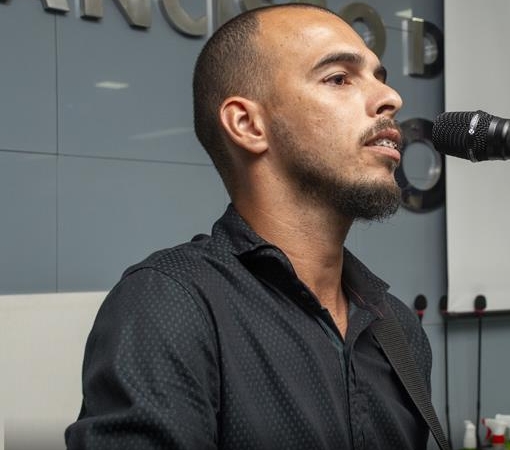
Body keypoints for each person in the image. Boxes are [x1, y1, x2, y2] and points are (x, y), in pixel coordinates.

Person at [65, 4, 433, 449]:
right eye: (339, 78)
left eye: (379, 76)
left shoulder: (396, 327)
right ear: (247, 124)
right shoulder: (168, 305)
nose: (391, 97)